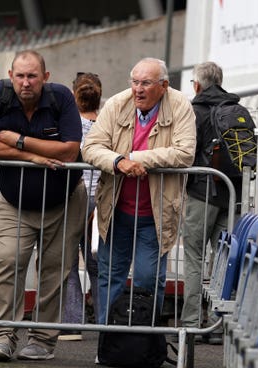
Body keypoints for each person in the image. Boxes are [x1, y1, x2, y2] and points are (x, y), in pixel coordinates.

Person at [0, 50, 87, 361]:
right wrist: (31, 156)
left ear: (45, 78)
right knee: (8, 261)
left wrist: (17, 140)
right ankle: (2, 337)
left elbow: (68, 150)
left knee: (55, 272)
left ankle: (42, 342)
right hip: (14, 203)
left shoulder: (61, 98)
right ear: (11, 75)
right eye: (20, 76)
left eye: (32, 76)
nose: (26, 82)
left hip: (65, 202)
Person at [82, 57, 196, 325]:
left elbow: (185, 153)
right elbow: (91, 147)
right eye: (134, 82)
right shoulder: (116, 104)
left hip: (155, 215)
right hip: (116, 210)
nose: (138, 89)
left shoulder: (180, 105)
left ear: (164, 85)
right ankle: (107, 339)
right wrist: (119, 162)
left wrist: (136, 158)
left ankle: (145, 340)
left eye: (146, 83)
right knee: (111, 276)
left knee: (148, 278)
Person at [180, 61, 241, 344]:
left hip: (201, 193)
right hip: (231, 193)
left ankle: (192, 323)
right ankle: (218, 325)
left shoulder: (195, 111)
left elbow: (187, 153)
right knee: (224, 260)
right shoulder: (235, 108)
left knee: (194, 257)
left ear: (196, 85)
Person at [58, 72, 102, 341]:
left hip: (74, 197)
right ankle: (106, 321)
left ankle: (71, 323)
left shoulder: (70, 126)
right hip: (101, 199)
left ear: (75, 96)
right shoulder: (107, 126)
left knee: (68, 262)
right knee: (98, 264)